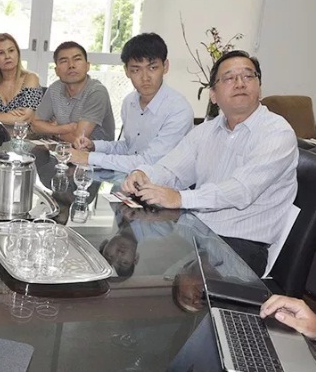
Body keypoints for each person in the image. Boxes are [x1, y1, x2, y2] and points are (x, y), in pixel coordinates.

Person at [122, 50, 298, 276]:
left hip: (242, 245)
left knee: (174, 281)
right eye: (229, 78)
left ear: (260, 89)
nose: (240, 83)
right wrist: (144, 175)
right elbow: (172, 169)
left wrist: (180, 198)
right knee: (143, 263)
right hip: (199, 231)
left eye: (248, 76)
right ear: (213, 95)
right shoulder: (206, 131)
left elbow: (241, 190)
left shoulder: (277, 133)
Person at [68, 33, 194, 172]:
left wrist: (89, 158)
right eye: (136, 70)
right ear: (127, 71)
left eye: (152, 68)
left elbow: (149, 161)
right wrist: (94, 146)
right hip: (131, 178)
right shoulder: (130, 102)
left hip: (163, 183)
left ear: (165, 66)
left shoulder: (178, 109)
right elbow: (130, 147)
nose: (145, 77)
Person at [31, 41, 115, 142]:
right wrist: (64, 128)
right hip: (62, 148)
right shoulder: (55, 88)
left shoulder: (97, 92)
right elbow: (35, 125)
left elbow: (79, 139)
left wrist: (51, 131)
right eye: (64, 61)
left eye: (77, 59)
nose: (71, 65)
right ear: (56, 71)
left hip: (94, 151)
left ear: (87, 66)